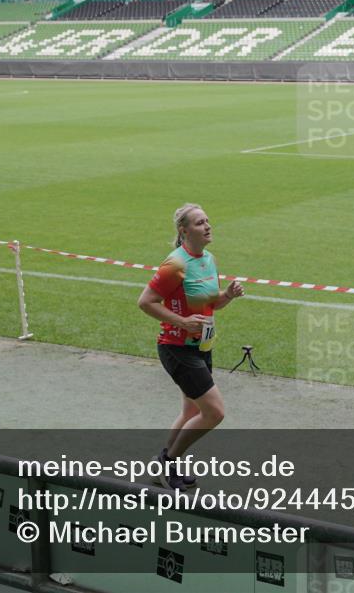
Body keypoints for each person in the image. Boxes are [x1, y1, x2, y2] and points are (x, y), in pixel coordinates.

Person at [137, 203, 244, 491]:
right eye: (199, 223)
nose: (207, 226)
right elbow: (145, 302)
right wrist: (182, 322)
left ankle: (162, 464)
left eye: (208, 220)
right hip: (176, 348)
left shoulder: (209, 260)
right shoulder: (175, 264)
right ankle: (169, 461)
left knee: (189, 412)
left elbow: (211, 304)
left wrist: (228, 296)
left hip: (201, 346)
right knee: (214, 412)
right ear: (184, 231)